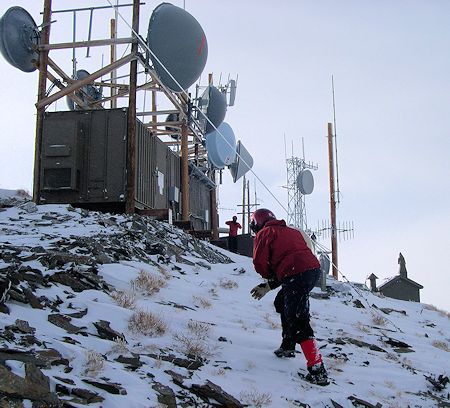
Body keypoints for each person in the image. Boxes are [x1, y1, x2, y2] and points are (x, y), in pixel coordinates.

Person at [249, 208, 329, 386]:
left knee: (297, 318)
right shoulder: (292, 231)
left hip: (296, 274)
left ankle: (317, 369)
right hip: (312, 271)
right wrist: (271, 285)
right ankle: (288, 345)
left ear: (257, 223)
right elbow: (293, 261)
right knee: (282, 302)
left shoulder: (265, 233)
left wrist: (268, 278)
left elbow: (260, 263)